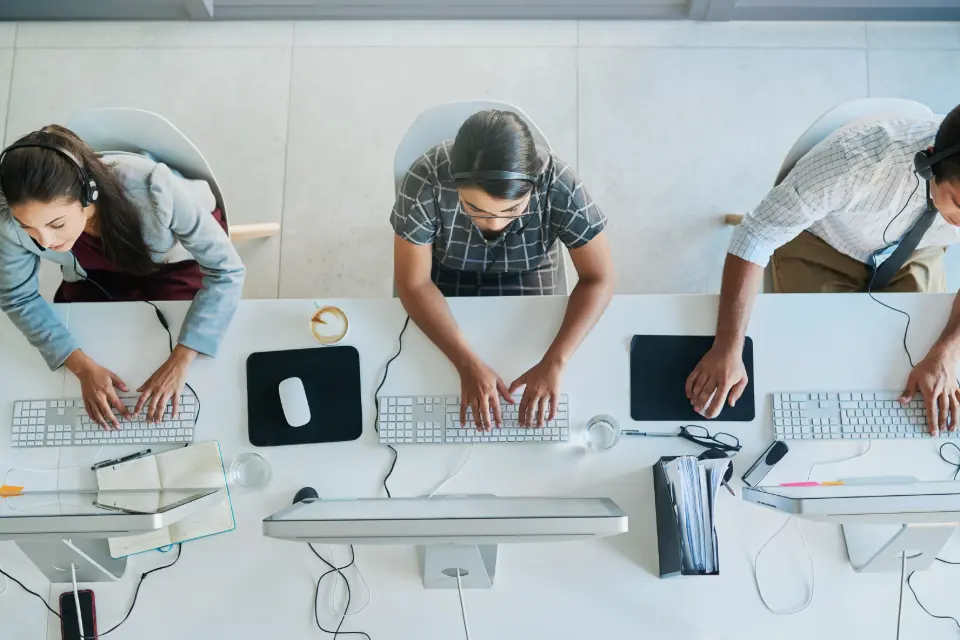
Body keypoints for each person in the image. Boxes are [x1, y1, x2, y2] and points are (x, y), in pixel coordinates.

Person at [687, 104, 960, 435]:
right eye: (958, 204)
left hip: (917, 249)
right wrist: (728, 348)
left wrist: (947, 352)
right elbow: (756, 236)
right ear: (928, 165)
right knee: (814, 364)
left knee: (912, 368)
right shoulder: (852, 161)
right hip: (826, 242)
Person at [0, 125, 245, 429]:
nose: (45, 242)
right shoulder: (9, 219)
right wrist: (81, 366)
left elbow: (227, 270)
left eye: (57, 224)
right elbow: (17, 297)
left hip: (172, 263)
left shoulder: (152, 189)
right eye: (28, 228)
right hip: (95, 273)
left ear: (87, 195)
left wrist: (182, 357)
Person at [392, 109, 614, 431]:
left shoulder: (558, 182)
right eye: (474, 208)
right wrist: (466, 363)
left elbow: (599, 277)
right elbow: (413, 283)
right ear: (453, 183)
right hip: (445, 275)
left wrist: (556, 360)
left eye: (512, 209)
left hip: (529, 271)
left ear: (535, 183)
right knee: (431, 378)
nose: (495, 224)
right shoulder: (425, 179)